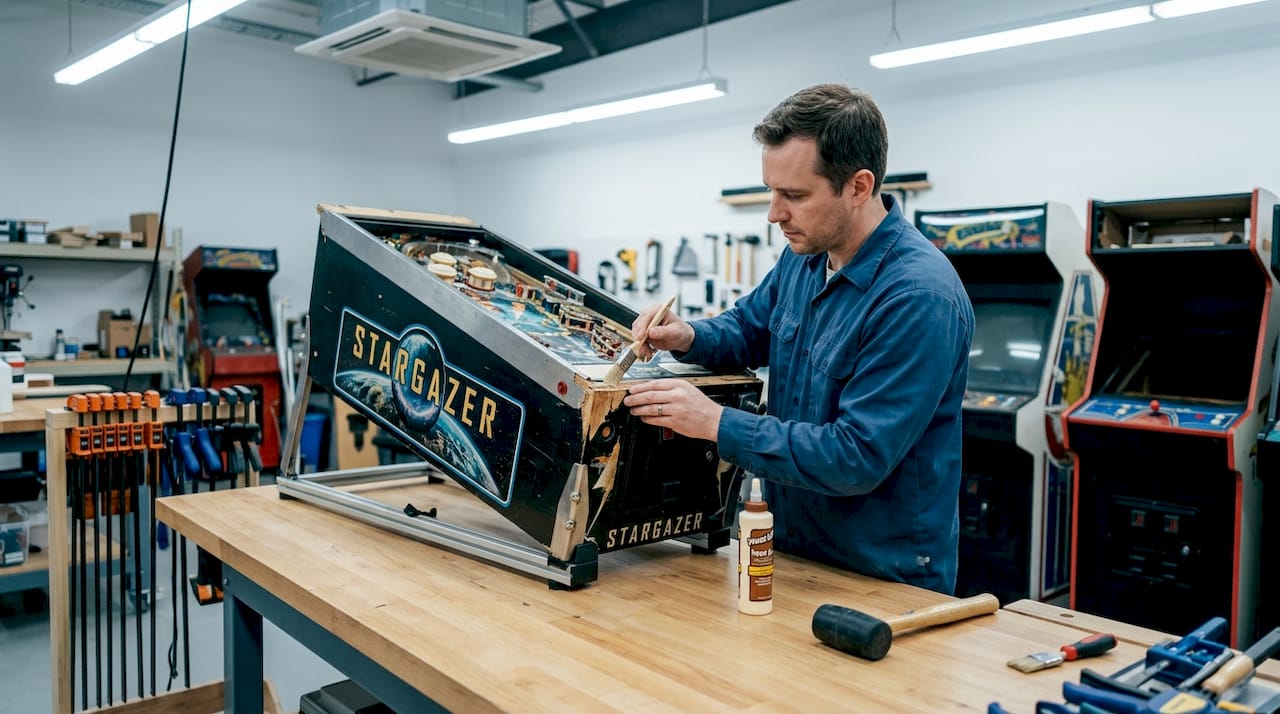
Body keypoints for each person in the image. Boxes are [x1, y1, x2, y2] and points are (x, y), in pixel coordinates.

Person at [622, 84, 973, 594]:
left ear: (858, 186)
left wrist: (715, 423)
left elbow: (855, 456)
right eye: (771, 191)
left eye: (794, 196)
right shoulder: (804, 258)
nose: (774, 214)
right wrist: (688, 335)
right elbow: (748, 328)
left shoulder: (918, 297)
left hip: (883, 579)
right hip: (793, 552)